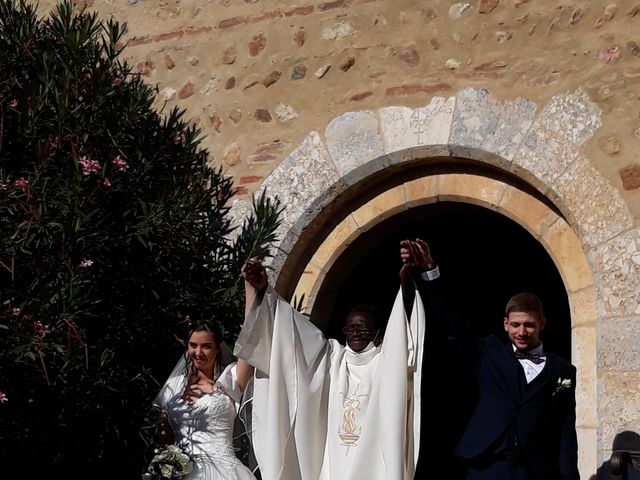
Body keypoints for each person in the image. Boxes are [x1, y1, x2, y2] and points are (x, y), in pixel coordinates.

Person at [401, 239, 580, 480]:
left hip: (535, 469)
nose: (522, 332)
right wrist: (429, 270)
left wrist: (569, 476)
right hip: (486, 465)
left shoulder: (563, 371)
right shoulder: (489, 352)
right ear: (506, 324)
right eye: (516, 324)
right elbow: (450, 322)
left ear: (542, 324)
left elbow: (564, 428)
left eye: (529, 325)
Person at [235, 256, 425, 480]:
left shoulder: (386, 363)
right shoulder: (333, 359)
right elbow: (292, 338)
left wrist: (405, 283)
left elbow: (402, 338)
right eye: (351, 328)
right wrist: (265, 291)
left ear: (378, 333)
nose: (355, 333)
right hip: (330, 465)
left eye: (363, 329)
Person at [153, 320, 256, 480]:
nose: (198, 352)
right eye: (193, 345)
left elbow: (250, 344)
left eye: (206, 346)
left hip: (225, 472)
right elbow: (164, 437)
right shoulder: (173, 386)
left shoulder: (229, 380)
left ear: (218, 348)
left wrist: (252, 297)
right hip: (182, 473)